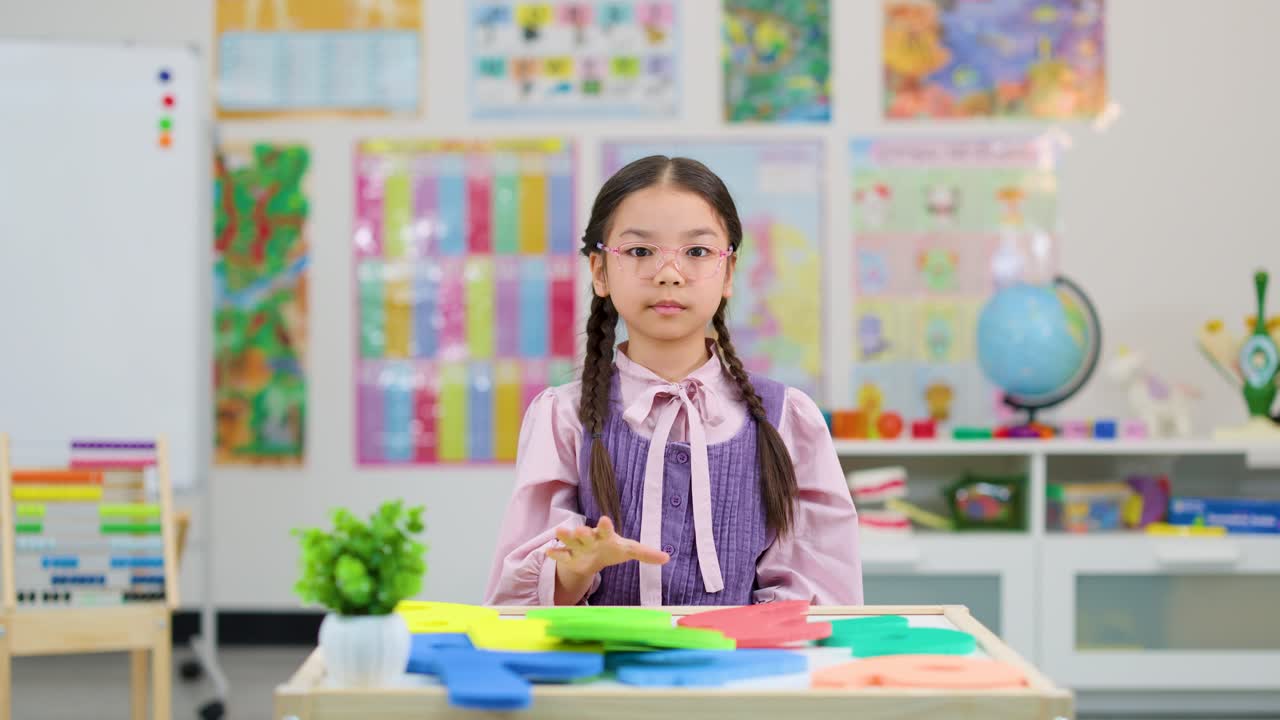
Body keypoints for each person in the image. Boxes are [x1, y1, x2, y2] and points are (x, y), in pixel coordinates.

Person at [484, 155, 862, 606]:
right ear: (600, 272)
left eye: (697, 252)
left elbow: (819, 601)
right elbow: (518, 607)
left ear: (729, 272)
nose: (668, 274)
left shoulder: (785, 418)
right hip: (599, 655)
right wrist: (573, 569)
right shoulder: (564, 417)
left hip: (742, 654)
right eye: (640, 252)